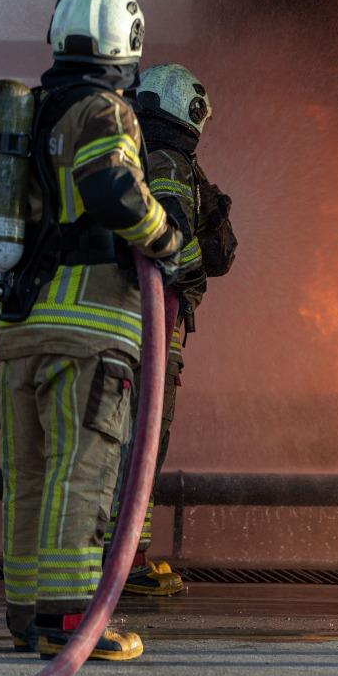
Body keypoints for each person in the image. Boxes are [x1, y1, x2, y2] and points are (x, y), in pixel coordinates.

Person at [0, 0, 182, 661]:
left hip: (21, 326)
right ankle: (71, 621)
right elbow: (111, 189)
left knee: (29, 475)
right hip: (91, 326)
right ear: (128, 41)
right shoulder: (105, 110)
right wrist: (166, 239)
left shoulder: (30, 112)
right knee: (84, 469)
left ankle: (26, 613)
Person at [107, 63, 238, 596]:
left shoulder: (139, 155)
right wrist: (204, 256)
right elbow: (171, 240)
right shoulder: (166, 160)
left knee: (135, 444)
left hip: (142, 326)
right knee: (138, 445)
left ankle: (126, 558)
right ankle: (123, 565)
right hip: (149, 330)